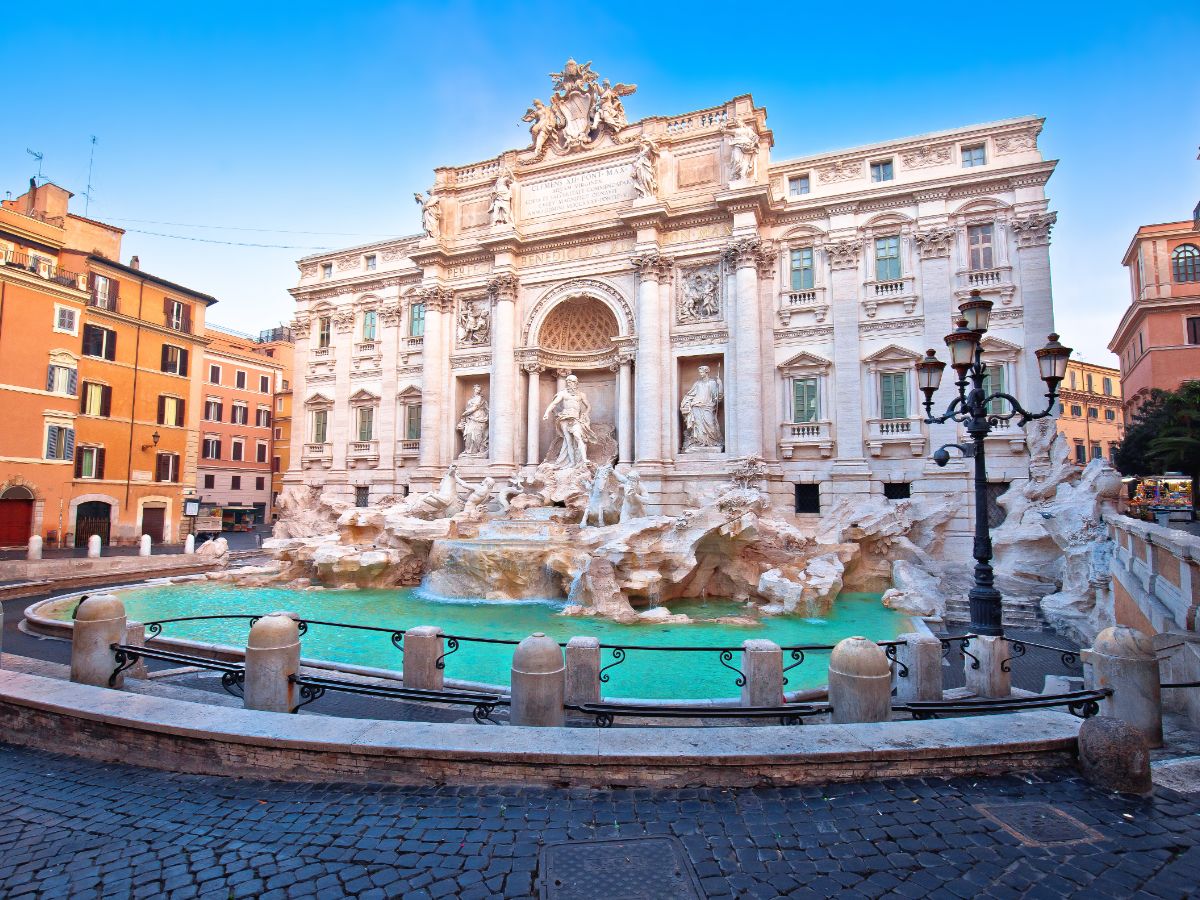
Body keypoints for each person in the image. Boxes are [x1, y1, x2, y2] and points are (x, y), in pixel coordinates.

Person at [542, 374, 595, 468]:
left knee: (578, 437)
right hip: (565, 418)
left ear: (576, 383)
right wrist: (546, 413)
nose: (570, 383)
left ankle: (584, 459)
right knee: (568, 441)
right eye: (569, 382)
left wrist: (585, 413)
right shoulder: (563, 393)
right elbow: (554, 404)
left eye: (572, 381)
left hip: (576, 419)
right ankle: (572, 462)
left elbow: (588, 406)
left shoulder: (581, 395)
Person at [680, 366, 724, 451]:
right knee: (698, 426)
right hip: (696, 407)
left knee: (710, 424)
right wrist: (686, 402)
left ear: (706, 372)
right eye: (700, 372)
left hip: (708, 407)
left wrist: (720, 384)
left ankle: (711, 442)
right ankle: (699, 442)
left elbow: (718, 397)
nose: (700, 374)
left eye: (701, 372)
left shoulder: (712, 383)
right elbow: (690, 394)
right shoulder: (697, 383)